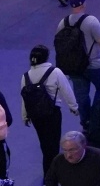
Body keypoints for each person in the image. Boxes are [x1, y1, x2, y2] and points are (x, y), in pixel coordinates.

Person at [19, 47, 77, 178]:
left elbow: (24, 98)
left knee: (44, 144)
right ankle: (54, 174)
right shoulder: (55, 72)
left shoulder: (25, 76)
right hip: (52, 113)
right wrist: (73, 107)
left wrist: (25, 116)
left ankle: (48, 175)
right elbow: (66, 90)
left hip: (35, 116)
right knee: (54, 145)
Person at [55, 0, 100, 118]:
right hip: (94, 65)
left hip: (73, 66)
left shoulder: (63, 22)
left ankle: (86, 122)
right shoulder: (91, 21)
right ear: (83, 5)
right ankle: (96, 118)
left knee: (81, 96)